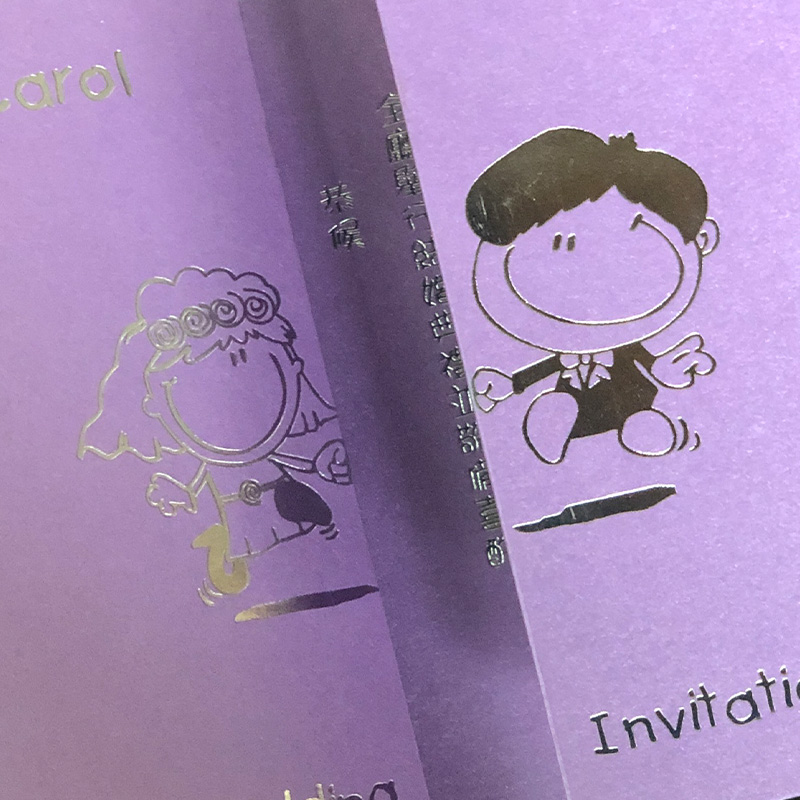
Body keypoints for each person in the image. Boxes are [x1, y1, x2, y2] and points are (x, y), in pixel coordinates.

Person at [78, 266, 350, 601]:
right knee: (251, 554)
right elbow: (193, 484)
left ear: (294, 369)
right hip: (241, 526)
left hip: (290, 507)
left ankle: (316, 564)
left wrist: (321, 462)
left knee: (309, 542)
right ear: (154, 405)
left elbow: (296, 459)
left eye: (255, 375)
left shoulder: (277, 441)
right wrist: (179, 491)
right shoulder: (203, 462)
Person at [468, 128, 719, 463]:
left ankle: (644, 429)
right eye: (559, 244)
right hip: (576, 403)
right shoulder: (567, 353)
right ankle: (554, 423)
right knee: (565, 404)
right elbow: (543, 368)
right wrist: (511, 384)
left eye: (627, 249)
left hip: (629, 401)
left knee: (634, 415)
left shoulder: (624, 347)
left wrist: (662, 369)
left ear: (701, 240)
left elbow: (645, 361)